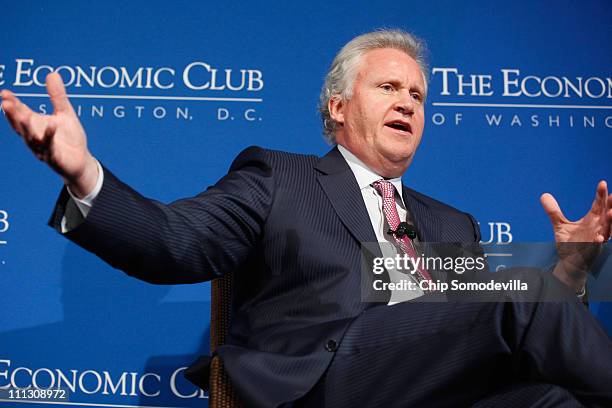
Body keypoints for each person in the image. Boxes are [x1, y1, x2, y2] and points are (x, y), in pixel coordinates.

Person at [2, 29, 611, 407]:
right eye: (389, 87)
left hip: (441, 388)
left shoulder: (454, 224)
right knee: (522, 288)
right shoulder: (281, 178)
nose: (407, 102)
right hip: (325, 381)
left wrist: (575, 276)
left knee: (551, 398)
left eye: (419, 96)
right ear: (339, 106)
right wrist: (85, 174)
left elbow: (500, 333)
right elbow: (174, 241)